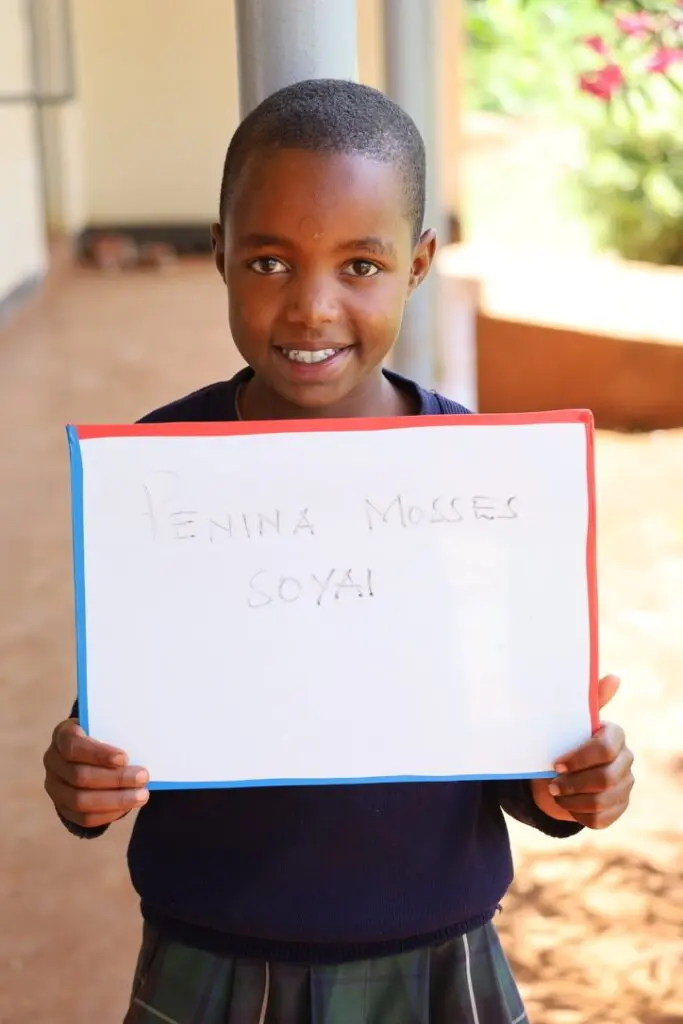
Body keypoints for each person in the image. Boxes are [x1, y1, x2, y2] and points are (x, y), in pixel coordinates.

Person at [43, 80, 634, 1024]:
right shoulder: (161, 474)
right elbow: (119, 720)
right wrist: (82, 779)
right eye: (271, 261)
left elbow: (515, 743)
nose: (311, 308)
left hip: (438, 955)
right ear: (221, 255)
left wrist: (569, 782)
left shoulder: (479, 478)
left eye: (359, 265)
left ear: (418, 264)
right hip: (216, 956)